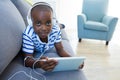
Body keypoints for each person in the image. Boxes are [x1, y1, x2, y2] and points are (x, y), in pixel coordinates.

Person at [22, 2, 84, 72]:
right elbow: (27, 60)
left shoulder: (55, 30)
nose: (44, 28)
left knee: (57, 27)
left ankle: (60, 26)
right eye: (38, 23)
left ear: (52, 21)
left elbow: (60, 50)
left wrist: (74, 61)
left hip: (55, 27)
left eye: (48, 23)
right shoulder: (28, 34)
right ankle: (60, 25)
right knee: (56, 27)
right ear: (31, 23)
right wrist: (39, 63)